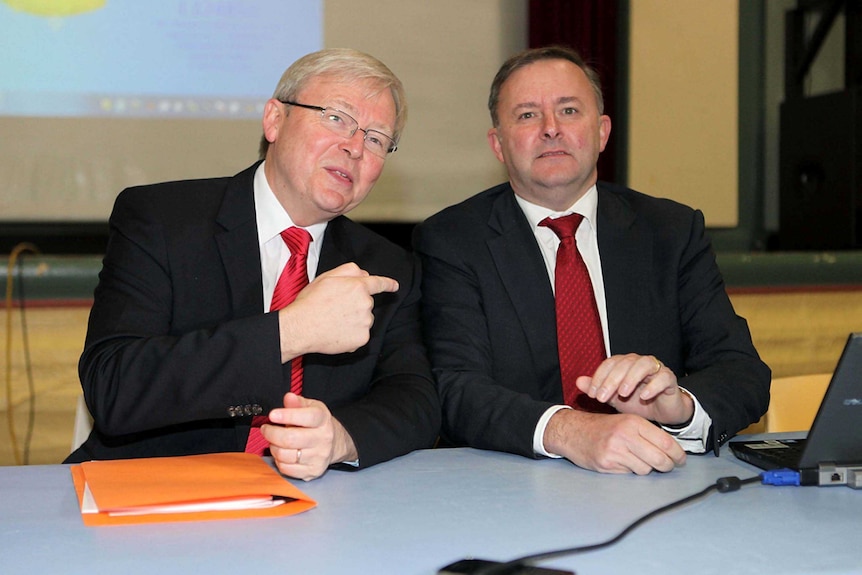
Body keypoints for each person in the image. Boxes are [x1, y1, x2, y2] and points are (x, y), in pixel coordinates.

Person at [65, 48, 440, 481]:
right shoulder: (162, 220)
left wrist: (342, 437)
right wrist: (290, 331)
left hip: (317, 507)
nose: (354, 147)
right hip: (152, 491)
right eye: (336, 117)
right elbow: (114, 387)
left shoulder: (388, 266)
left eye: (375, 138)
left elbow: (416, 399)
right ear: (274, 120)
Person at [413, 46, 770, 475]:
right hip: (513, 488)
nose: (550, 129)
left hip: (655, 480)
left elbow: (742, 371)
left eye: (568, 110)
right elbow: (454, 389)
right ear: (498, 144)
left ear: (601, 132)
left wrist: (680, 407)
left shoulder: (671, 231)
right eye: (527, 115)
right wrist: (571, 431)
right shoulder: (452, 240)